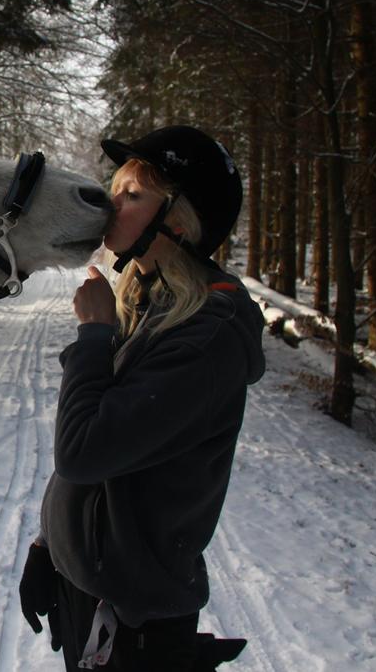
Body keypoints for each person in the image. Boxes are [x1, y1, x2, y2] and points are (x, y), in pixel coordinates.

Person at [18, 126, 266, 671]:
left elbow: (83, 450)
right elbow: (102, 461)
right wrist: (49, 548)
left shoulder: (207, 333)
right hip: (90, 591)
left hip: (135, 628)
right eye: (117, 188)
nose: (112, 204)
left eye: (133, 195)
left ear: (177, 222)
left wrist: (93, 336)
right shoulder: (149, 298)